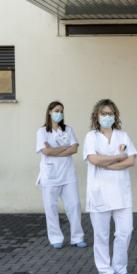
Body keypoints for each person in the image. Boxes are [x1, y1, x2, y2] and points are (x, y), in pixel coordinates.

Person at [83, 99, 137, 274]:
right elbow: (94, 160)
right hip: (99, 194)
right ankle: (105, 271)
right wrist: (117, 157)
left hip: (121, 193)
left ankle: (120, 268)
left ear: (115, 116)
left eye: (110, 113)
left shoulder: (123, 136)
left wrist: (109, 163)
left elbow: (131, 161)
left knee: (125, 231)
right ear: (97, 116)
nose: (107, 117)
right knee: (101, 235)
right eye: (104, 114)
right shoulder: (91, 136)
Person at [36, 101, 86, 249]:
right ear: (50, 112)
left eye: (61, 111)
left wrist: (55, 150)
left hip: (68, 174)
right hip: (50, 175)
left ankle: (77, 237)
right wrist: (65, 148)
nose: (59, 113)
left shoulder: (68, 130)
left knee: (74, 205)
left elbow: (75, 149)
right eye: (57, 110)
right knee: (50, 207)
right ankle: (55, 238)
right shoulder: (42, 132)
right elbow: (45, 151)